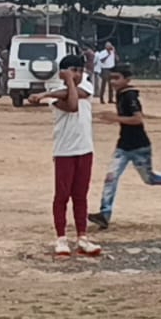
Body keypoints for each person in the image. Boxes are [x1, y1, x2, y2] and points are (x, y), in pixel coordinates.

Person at [87, 65, 161, 230]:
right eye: (112, 78)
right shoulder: (121, 94)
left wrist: (115, 118)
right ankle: (104, 214)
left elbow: (138, 119)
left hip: (139, 146)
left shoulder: (129, 96)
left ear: (127, 79)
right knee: (111, 178)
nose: (114, 81)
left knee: (149, 179)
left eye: (117, 78)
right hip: (123, 146)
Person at [29, 55, 101, 258]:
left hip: (85, 149)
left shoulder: (86, 85)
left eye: (79, 70)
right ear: (61, 72)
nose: (77, 74)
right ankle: (61, 238)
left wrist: (44, 93)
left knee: (81, 195)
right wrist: (59, 86)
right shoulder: (55, 96)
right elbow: (71, 105)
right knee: (62, 196)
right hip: (65, 151)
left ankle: (82, 237)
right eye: (72, 70)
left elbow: (75, 96)